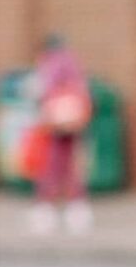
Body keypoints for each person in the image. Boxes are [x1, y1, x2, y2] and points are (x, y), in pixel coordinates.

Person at [29, 31, 93, 235]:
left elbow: (41, 90)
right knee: (71, 165)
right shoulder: (73, 63)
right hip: (72, 120)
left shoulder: (49, 63)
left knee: (51, 164)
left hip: (55, 122)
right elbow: (83, 91)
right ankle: (77, 209)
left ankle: (46, 208)